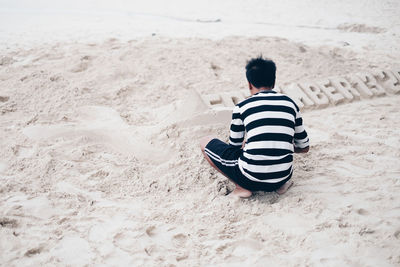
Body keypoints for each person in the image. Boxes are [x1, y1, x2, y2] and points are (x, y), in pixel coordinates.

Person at [200, 56, 309, 198]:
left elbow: (233, 147)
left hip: (250, 178)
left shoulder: (242, 107)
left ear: (249, 84)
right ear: (274, 81)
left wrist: (249, 145)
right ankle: (281, 186)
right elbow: (304, 147)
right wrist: (280, 144)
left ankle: (241, 187)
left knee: (205, 142)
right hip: (282, 177)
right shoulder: (290, 104)